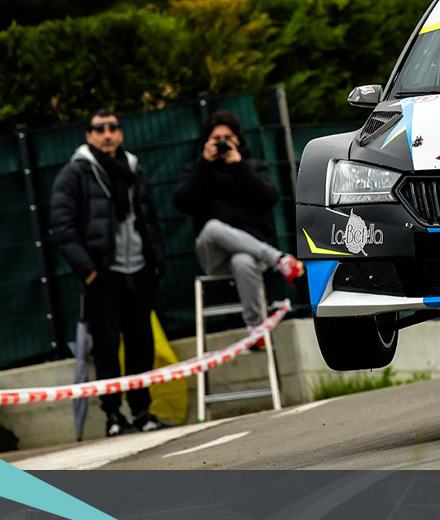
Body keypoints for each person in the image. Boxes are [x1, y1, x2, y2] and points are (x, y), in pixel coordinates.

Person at [50, 109, 166, 437]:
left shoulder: (133, 168)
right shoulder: (75, 173)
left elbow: (149, 217)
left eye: (113, 127)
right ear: (89, 136)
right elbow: (62, 227)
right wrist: (88, 271)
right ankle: (113, 416)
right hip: (103, 275)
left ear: (121, 133)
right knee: (107, 347)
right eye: (99, 129)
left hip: (139, 270)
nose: (107, 134)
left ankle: (142, 411)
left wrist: (156, 262)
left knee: (141, 343)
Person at [173, 111, 304, 349]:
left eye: (228, 138)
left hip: (250, 255)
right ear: (206, 142)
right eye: (216, 139)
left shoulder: (254, 167)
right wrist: (204, 165)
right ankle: (279, 259)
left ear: (238, 141)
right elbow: (182, 202)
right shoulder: (196, 169)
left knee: (242, 260)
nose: (222, 143)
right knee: (212, 226)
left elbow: (269, 199)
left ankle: (255, 330)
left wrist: (240, 167)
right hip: (213, 253)